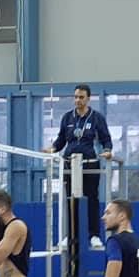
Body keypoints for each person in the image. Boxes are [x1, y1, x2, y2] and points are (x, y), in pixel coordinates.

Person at [44, 83, 113, 250]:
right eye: (75, 97)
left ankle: (94, 235)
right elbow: (61, 140)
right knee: (70, 200)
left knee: (92, 200)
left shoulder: (96, 118)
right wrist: (52, 149)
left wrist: (107, 151)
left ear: (88, 99)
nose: (78, 100)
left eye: (81, 97)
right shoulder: (67, 118)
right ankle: (70, 236)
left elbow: (106, 139)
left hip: (90, 165)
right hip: (69, 165)